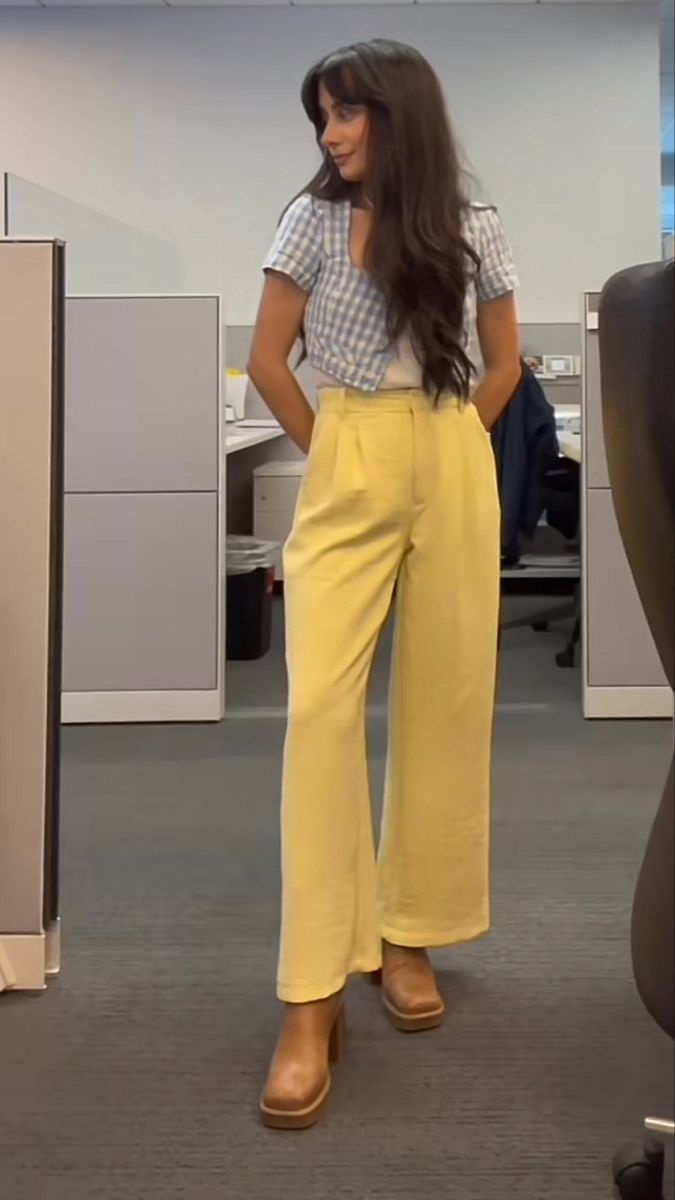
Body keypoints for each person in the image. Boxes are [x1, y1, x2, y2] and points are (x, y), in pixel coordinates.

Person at [248, 38, 520, 1130]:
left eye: (348, 113)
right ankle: (312, 994)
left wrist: (452, 447)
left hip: (450, 452)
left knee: (447, 705)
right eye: (322, 117)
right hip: (350, 448)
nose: (332, 134)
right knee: (318, 717)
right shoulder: (310, 220)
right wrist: (339, 452)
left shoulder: (471, 220)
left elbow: (501, 362)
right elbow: (272, 358)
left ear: (400, 115)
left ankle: (406, 932)